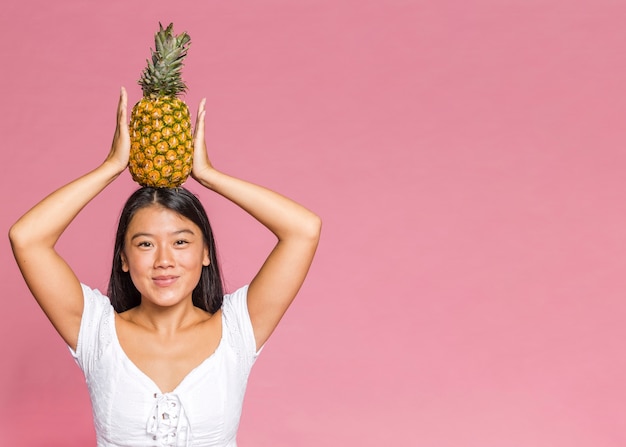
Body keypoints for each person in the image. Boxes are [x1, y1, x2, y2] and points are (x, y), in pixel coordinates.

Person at [9, 88, 322, 446]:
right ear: (123, 259)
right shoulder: (96, 330)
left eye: (181, 242)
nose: (164, 260)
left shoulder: (237, 330)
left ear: (206, 252)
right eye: (145, 244)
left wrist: (209, 175)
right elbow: (27, 238)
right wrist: (110, 167)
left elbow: (303, 230)